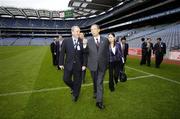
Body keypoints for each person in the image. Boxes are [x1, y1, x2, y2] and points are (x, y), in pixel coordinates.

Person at [59, 26, 87, 102]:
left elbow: (84, 54)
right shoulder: (66, 41)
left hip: (78, 65)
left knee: (77, 81)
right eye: (77, 31)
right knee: (66, 79)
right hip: (68, 65)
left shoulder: (82, 41)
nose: (79, 33)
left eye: (79, 31)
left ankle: (75, 95)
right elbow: (62, 53)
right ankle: (73, 87)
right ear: (72, 32)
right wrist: (61, 63)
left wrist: (84, 64)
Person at [87, 24, 109, 109]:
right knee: (95, 81)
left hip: (102, 66)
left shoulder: (105, 40)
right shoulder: (88, 41)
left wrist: (107, 64)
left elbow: (107, 53)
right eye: (91, 29)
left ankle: (99, 101)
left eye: (94, 29)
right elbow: (86, 54)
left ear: (99, 30)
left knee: (99, 82)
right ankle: (95, 92)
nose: (92, 31)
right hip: (92, 66)